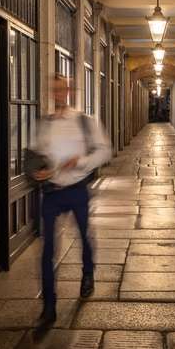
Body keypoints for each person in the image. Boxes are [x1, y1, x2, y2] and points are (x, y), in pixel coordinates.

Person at [32, 74, 112, 325]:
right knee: (47, 250)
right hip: (52, 191)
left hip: (77, 189)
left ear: (68, 91)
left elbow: (104, 151)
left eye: (62, 89)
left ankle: (88, 272)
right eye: (53, 89)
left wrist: (81, 162)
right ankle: (49, 306)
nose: (58, 94)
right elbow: (35, 156)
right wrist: (38, 170)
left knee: (85, 235)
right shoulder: (44, 124)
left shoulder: (84, 122)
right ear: (50, 92)